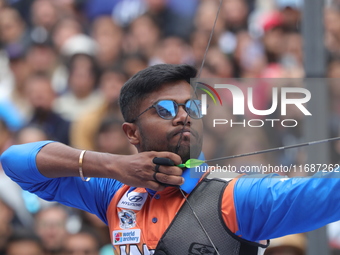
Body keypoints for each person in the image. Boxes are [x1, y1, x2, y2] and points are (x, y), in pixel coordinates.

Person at [2, 64, 340, 254]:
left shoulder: (235, 197)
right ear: (131, 133)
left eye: (191, 107)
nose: (183, 116)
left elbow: (330, 193)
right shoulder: (113, 190)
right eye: (165, 110)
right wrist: (113, 165)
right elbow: (15, 161)